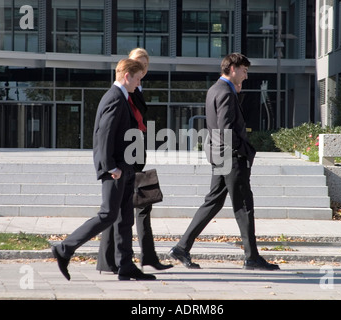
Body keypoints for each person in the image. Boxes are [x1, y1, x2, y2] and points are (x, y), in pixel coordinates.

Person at [168, 53, 280, 271]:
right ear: (233, 68)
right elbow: (226, 129)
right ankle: (252, 258)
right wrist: (244, 150)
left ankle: (182, 248)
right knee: (244, 206)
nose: (246, 76)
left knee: (213, 202)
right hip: (231, 157)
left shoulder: (215, 89)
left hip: (220, 155)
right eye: (245, 71)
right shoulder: (226, 93)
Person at [51, 58, 156, 281]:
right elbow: (104, 134)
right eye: (137, 79)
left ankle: (126, 266)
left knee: (125, 218)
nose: (139, 84)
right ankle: (64, 248)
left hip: (125, 168)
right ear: (127, 76)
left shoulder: (124, 97)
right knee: (108, 214)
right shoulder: (115, 98)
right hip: (115, 169)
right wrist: (110, 167)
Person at [97, 48, 173, 273]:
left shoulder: (136, 89)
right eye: (138, 65)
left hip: (135, 155)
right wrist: (111, 163)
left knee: (138, 208)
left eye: (146, 66)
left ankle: (143, 257)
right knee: (118, 211)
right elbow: (111, 130)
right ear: (128, 68)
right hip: (126, 157)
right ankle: (111, 260)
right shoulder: (125, 91)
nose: (143, 70)